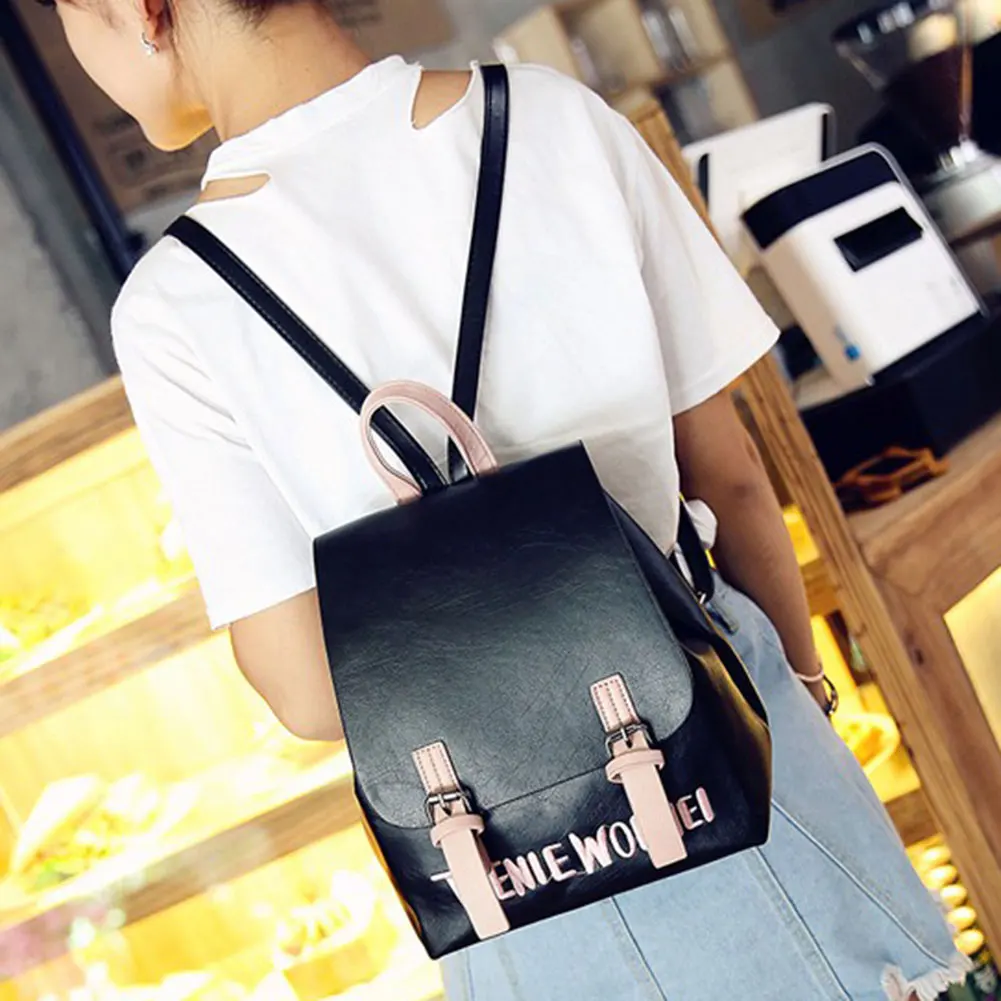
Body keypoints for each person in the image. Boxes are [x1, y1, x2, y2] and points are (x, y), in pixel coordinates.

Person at [49, 0, 967, 995]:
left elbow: (307, 693)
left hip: (497, 840)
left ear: (139, 10)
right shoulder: (552, 115)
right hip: (732, 744)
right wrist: (801, 699)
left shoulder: (172, 308)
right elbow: (733, 478)